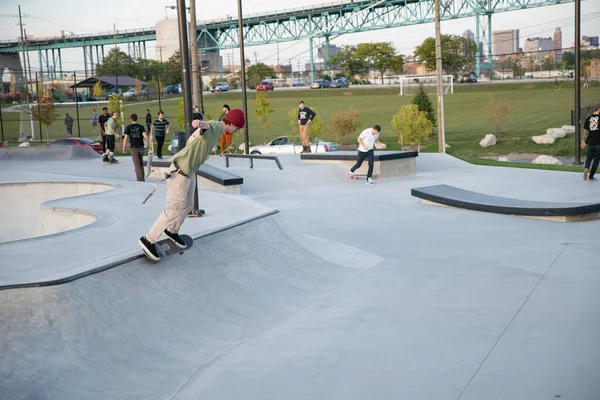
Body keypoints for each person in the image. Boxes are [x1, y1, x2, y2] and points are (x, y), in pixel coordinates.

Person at [138, 108, 246, 261]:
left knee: (188, 205)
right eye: (238, 128)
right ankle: (148, 240)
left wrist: (201, 151)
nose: (236, 131)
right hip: (181, 172)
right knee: (173, 209)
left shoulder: (217, 132)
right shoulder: (216, 126)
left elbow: (192, 140)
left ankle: (172, 231)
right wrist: (199, 123)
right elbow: (206, 125)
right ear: (234, 124)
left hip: (190, 171)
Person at [122, 113, 149, 181]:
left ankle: (140, 179)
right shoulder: (141, 127)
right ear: (137, 118)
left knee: (137, 164)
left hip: (134, 148)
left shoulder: (128, 127)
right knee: (141, 163)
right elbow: (145, 136)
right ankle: (142, 177)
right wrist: (149, 145)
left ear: (131, 119)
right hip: (141, 147)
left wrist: (124, 147)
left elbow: (125, 138)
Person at [582, 106, 600, 181]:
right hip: (599, 143)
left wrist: (583, 141)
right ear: (599, 109)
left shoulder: (588, 118)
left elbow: (586, 131)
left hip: (590, 142)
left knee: (588, 158)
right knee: (596, 161)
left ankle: (586, 168)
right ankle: (591, 177)